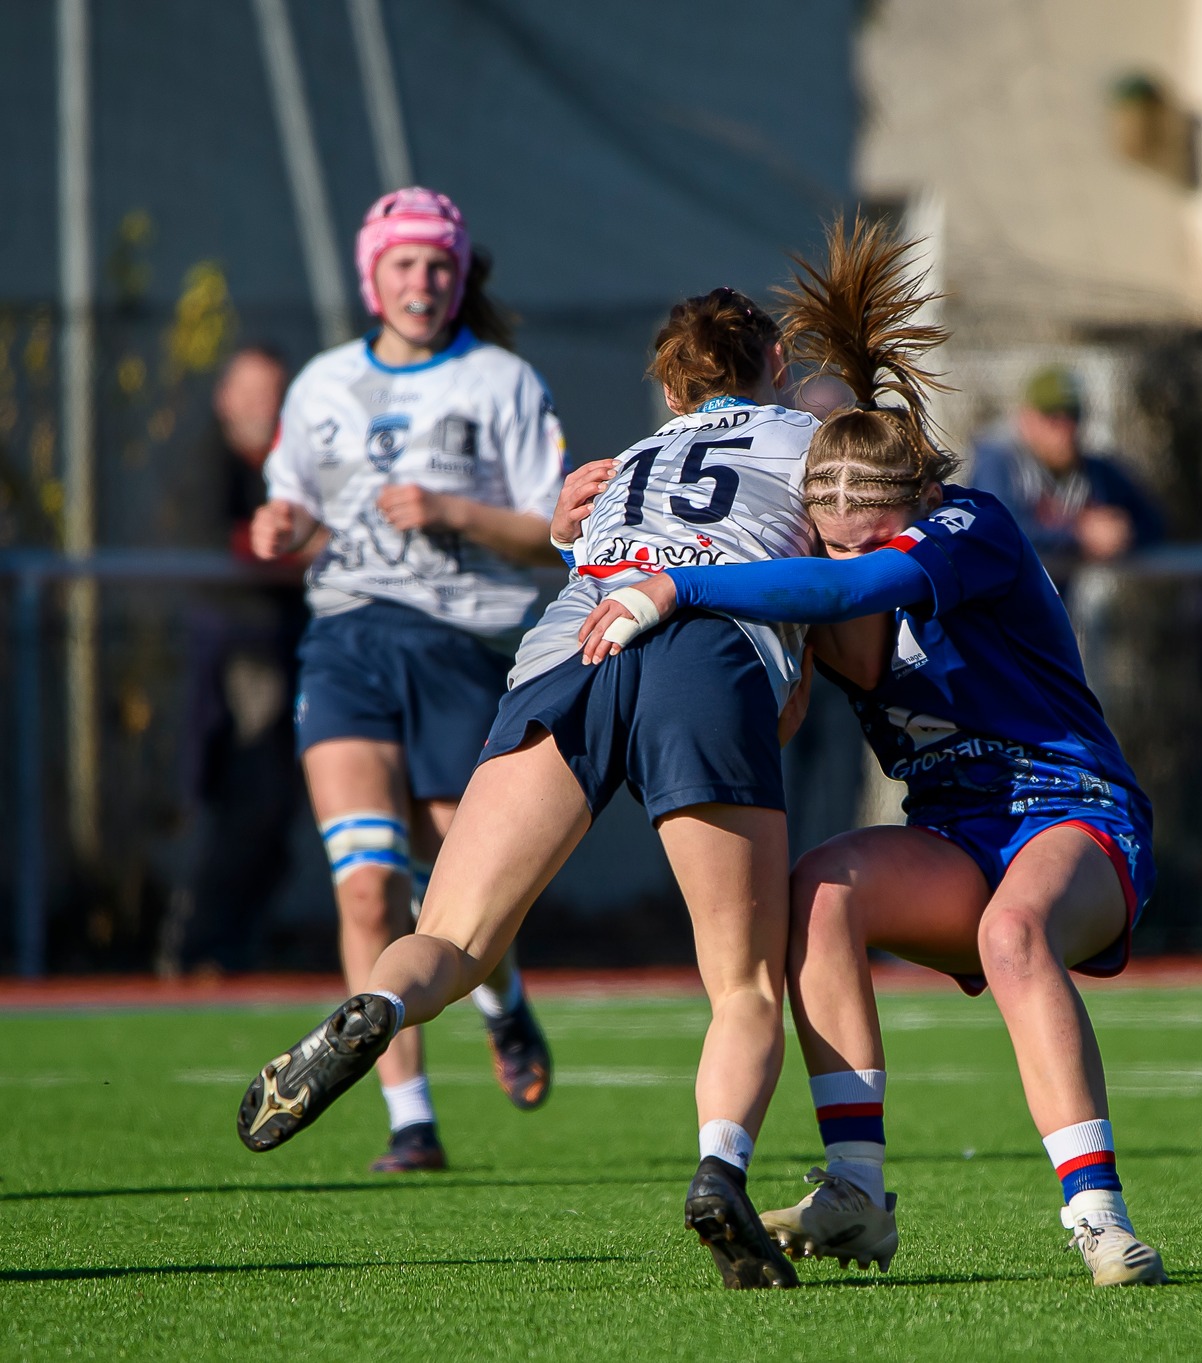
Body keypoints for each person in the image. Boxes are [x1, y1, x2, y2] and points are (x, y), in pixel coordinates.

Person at [588, 217, 1168, 1287]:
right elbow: (794, 702)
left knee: (1012, 932)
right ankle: (855, 1189)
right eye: (826, 524)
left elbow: (856, 586)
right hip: (952, 829)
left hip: (1071, 808)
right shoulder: (825, 573)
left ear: (911, 499)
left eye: (866, 520)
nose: (844, 539)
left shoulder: (968, 525)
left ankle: (1096, 1215)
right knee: (816, 894)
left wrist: (678, 582)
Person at [238, 277, 821, 1290]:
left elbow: (569, 539)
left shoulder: (625, 463)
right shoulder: (812, 446)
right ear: (774, 366)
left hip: (569, 652)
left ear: (672, 391)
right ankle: (718, 1171)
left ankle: (375, 999)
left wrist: (564, 532)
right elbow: (836, 591)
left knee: (455, 939)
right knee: (743, 982)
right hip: (700, 648)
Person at [247, 189, 560, 1171]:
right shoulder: (322, 384)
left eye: (438, 265)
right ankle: (409, 1120)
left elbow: (557, 530)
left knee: (460, 888)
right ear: (369, 277)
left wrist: (454, 512)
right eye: (403, 264)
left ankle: (503, 1002)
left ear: (460, 275)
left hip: (461, 647)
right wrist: (281, 527)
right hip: (346, 642)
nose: (422, 281)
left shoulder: (501, 381)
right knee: (368, 886)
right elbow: (290, 499)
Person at [163, 346, 307, 976]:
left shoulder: (289, 467)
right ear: (224, 398)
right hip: (234, 656)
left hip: (292, 649)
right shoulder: (206, 465)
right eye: (249, 392)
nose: (262, 407)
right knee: (241, 800)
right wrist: (305, 550)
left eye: (273, 393)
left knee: (278, 811)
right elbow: (229, 545)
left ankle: (231, 943)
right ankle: (197, 944)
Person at [970, 365, 1163, 580]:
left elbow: (1154, 521)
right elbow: (999, 531)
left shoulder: (1092, 470)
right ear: (1027, 418)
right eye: (1052, 417)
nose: (1065, 429)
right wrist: (1079, 534)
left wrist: (1122, 533)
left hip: (1055, 608)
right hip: (993, 605)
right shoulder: (997, 459)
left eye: (1073, 417)